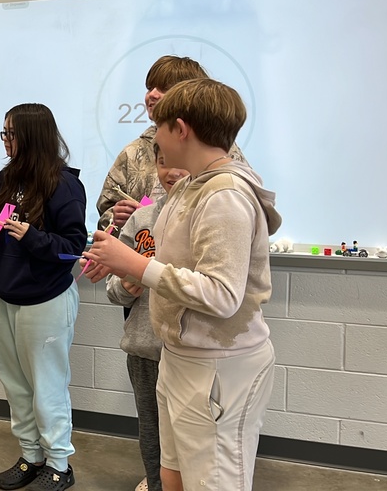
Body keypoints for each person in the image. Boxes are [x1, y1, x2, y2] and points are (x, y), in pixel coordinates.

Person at [82, 78, 281, 491]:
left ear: (181, 128)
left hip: (218, 364)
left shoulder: (225, 196)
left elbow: (222, 295)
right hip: (181, 355)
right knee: (171, 475)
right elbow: (167, 257)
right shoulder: (190, 186)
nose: (152, 132)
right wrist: (120, 259)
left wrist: (135, 266)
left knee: (213, 481)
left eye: (159, 125)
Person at [0, 103, 87, 491]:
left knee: (47, 385)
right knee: (15, 382)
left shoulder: (64, 185)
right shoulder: (5, 178)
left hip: (45, 299)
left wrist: (31, 235)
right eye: (3, 133)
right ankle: (30, 455)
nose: (5, 140)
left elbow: (72, 247)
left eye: (10, 134)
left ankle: (59, 465)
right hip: (4, 292)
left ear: (32, 136)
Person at [104, 143, 188, 491]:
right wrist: (126, 285)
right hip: (144, 348)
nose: (172, 171)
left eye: (180, 162)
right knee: (152, 439)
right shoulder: (141, 220)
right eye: (163, 162)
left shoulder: (207, 216)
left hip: (189, 353)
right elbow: (113, 287)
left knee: (189, 442)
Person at [96, 55, 244, 232]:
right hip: (139, 252)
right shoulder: (133, 152)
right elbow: (106, 212)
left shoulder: (220, 153)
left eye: (165, 89)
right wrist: (116, 216)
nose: (152, 95)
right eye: (150, 88)